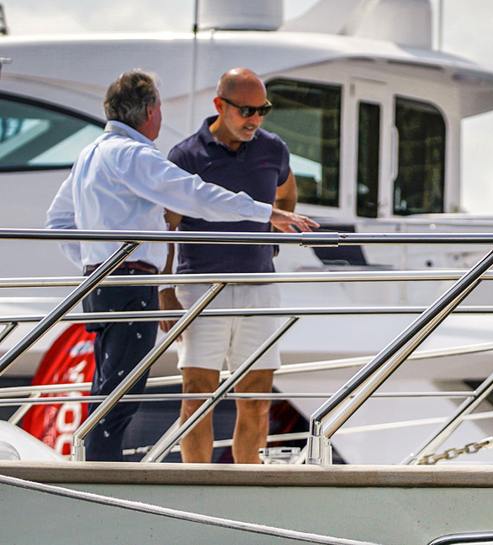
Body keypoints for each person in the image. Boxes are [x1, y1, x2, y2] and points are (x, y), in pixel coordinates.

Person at [45, 69, 317, 462]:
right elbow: (193, 196)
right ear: (150, 111)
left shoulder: (92, 152)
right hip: (134, 281)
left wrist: (95, 262)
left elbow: (58, 222)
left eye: (263, 110)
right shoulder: (134, 155)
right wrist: (262, 213)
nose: (256, 118)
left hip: (106, 282)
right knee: (122, 392)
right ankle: (101, 474)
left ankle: (96, 464)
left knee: (110, 386)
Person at [161, 67, 298, 464]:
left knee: (256, 397)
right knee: (197, 396)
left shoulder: (274, 149)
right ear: (220, 105)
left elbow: (287, 193)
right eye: (246, 111)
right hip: (201, 286)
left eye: (263, 110)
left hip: (259, 286)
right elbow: (166, 226)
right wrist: (165, 291)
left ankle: (248, 489)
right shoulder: (185, 155)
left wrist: (273, 238)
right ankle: (196, 490)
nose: (255, 119)